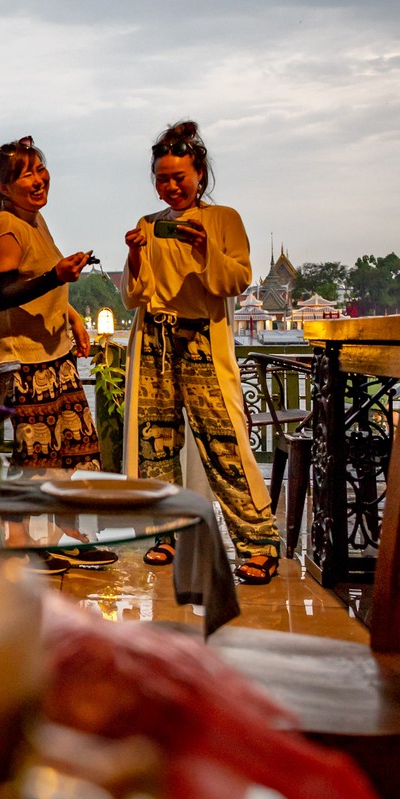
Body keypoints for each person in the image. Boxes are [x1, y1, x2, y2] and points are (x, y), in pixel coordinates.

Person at [119, 122, 280, 585]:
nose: (171, 186)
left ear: (200, 174)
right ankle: (164, 532)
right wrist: (133, 257)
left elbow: (235, 281)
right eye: (162, 178)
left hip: (201, 340)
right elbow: (137, 295)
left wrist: (207, 248)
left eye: (179, 177)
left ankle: (258, 541)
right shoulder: (149, 226)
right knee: (157, 442)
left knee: (224, 440)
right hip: (154, 337)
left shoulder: (223, 219)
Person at [0, 137, 111, 574]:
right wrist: (57, 274)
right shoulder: (6, 226)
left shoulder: (33, 219)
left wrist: (72, 316)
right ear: (3, 187)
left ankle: (70, 536)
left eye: (39, 169)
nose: (37, 180)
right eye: (25, 175)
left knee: (72, 450)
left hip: (53, 354)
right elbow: (4, 294)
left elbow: (42, 283)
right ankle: (20, 543)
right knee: (36, 457)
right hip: (24, 361)